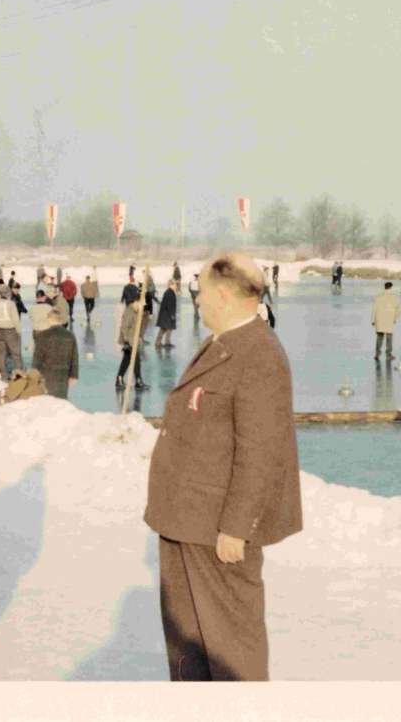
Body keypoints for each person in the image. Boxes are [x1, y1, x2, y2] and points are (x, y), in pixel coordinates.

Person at [144, 252, 301, 682]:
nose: (196, 300)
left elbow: (260, 451)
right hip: (187, 520)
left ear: (227, 295)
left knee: (232, 647)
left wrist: (237, 526)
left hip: (217, 529)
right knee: (189, 645)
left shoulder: (258, 354)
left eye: (203, 293)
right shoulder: (227, 342)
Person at [31, 307, 79, 399]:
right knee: (61, 402)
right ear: (60, 320)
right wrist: (73, 375)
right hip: (63, 374)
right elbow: (74, 357)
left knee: (46, 402)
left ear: (49, 320)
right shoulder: (70, 335)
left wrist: (34, 375)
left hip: (46, 374)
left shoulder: (42, 335)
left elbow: (37, 358)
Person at [117, 290, 149, 390]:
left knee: (126, 361)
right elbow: (124, 328)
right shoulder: (129, 312)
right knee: (136, 361)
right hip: (130, 342)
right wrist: (127, 341)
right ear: (135, 301)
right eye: (141, 302)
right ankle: (138, 381)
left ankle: (119, 380)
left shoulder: (135, 311)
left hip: (133, 340)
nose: (143, 304)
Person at [0, 284, 24, 381]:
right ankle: (20, 376)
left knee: (2, 355)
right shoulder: (10, 304)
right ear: (9, 294)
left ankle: (4, 377)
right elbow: (16, 319)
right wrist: (18, 331)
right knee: (16, 354)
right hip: (10, 331)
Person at [371, 281, 401, 360]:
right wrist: (394, 318)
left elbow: (374, 309)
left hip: (379, 320)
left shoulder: (378, 297)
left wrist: (373, 320)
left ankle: (377, 353)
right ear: (391, 287)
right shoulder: (395, 298)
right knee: (389, 338)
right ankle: (388, 354)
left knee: (379, 338)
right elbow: (398, 310)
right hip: (389, 320)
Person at [155, 280, 178, 348]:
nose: (176, 286)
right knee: (169, 328)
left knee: (163, 328)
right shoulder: (170, 293)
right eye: (175, 285)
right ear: (172, 285)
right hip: (167, 314)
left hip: (164, 314)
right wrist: (172, 315)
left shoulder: (168, 292)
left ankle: (158, 342)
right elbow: (169, 305)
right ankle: (166, 342)